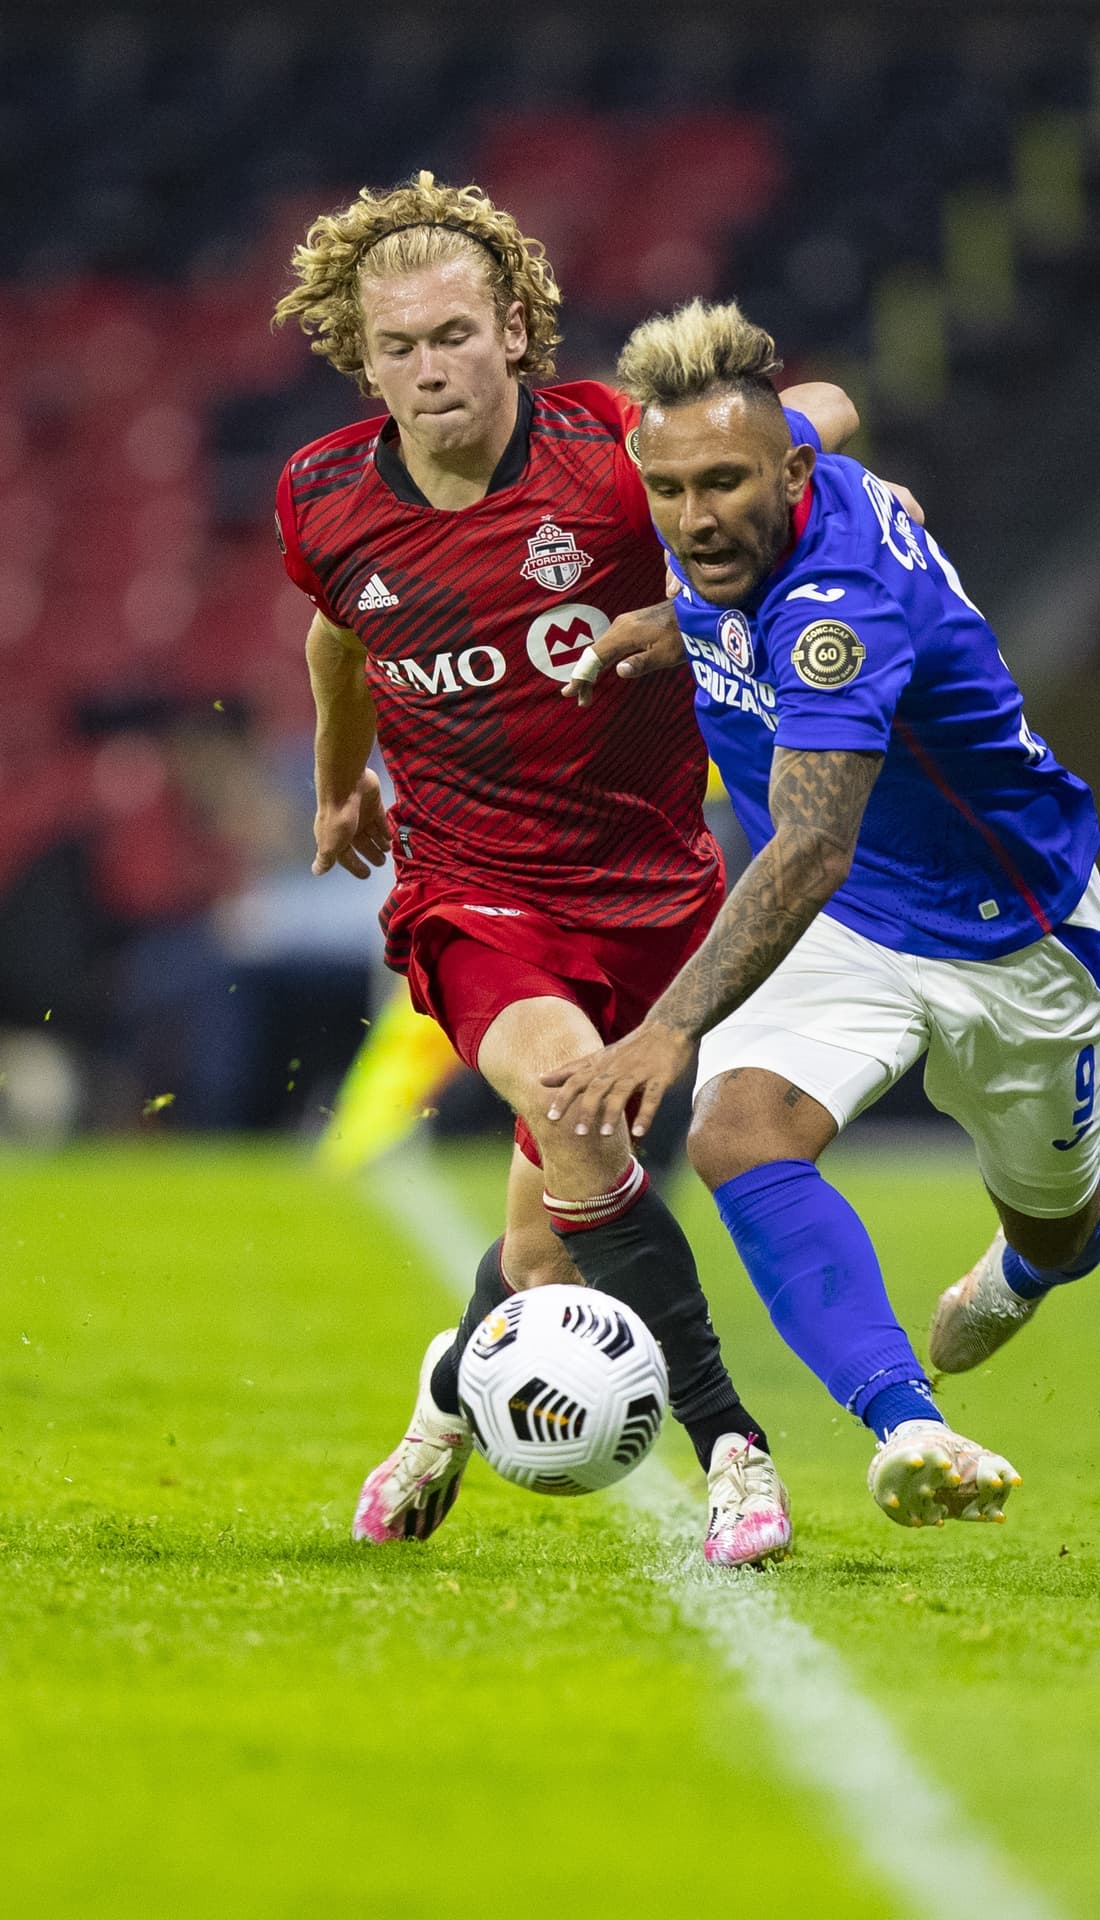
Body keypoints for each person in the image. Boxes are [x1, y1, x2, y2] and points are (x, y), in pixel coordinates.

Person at [271, 173, 863, 1565]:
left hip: (659, 894)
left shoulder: (610, 445)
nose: (428, 369)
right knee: (568, 1096)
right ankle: (736, 1450)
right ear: (366, 360)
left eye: (453, 335)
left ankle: (440, 1406)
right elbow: (338, 639)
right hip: (476, 892)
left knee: (545, 1253)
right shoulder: (321, 494)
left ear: (515, 327)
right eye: (398, 346)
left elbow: (820, 417)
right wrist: (337, 783)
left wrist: (680, 601)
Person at [545, 299, 1100, 1531]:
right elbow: (824, 407)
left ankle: (1031, 1262)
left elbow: (807, 842)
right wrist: (679, 622)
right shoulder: (767, 469)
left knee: (1059, 1219)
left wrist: (663, 1031)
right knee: (736, 1134)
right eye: (668, 488)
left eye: (722, 486)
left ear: (791, 478)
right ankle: (909, 1426)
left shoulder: (833, 616)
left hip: (1006, 931)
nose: (694, 517)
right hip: (849, 921)